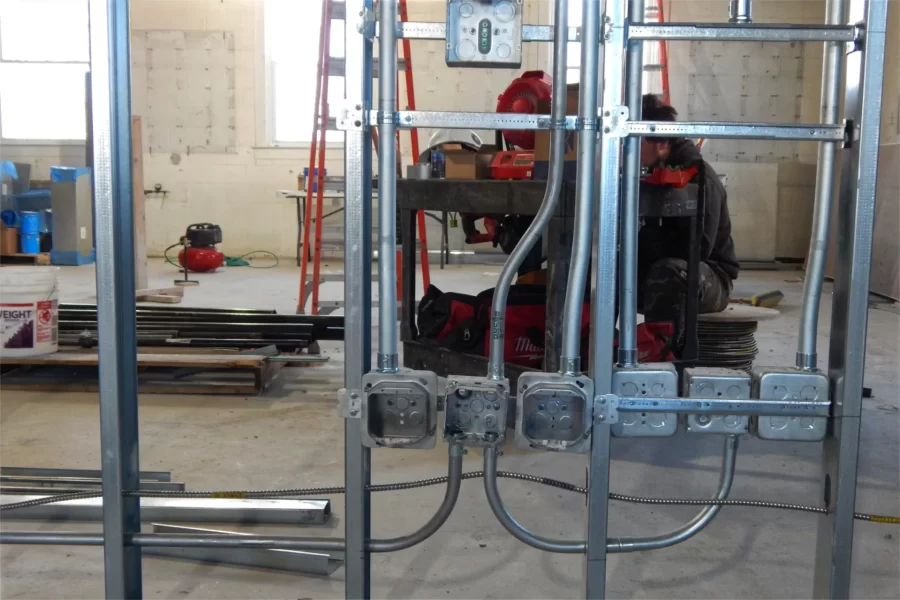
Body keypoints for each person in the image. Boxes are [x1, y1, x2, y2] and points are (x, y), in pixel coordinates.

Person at [637, 94, 739, 327]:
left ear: (662, 144)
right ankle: (597, 349)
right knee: (603, 267)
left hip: (710, 277)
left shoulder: (699, 179)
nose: (626, 149)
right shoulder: (647, 173)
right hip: (656, 264)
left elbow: (698, 250)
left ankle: (661, 353)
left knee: (668, 274)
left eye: (636, 141)